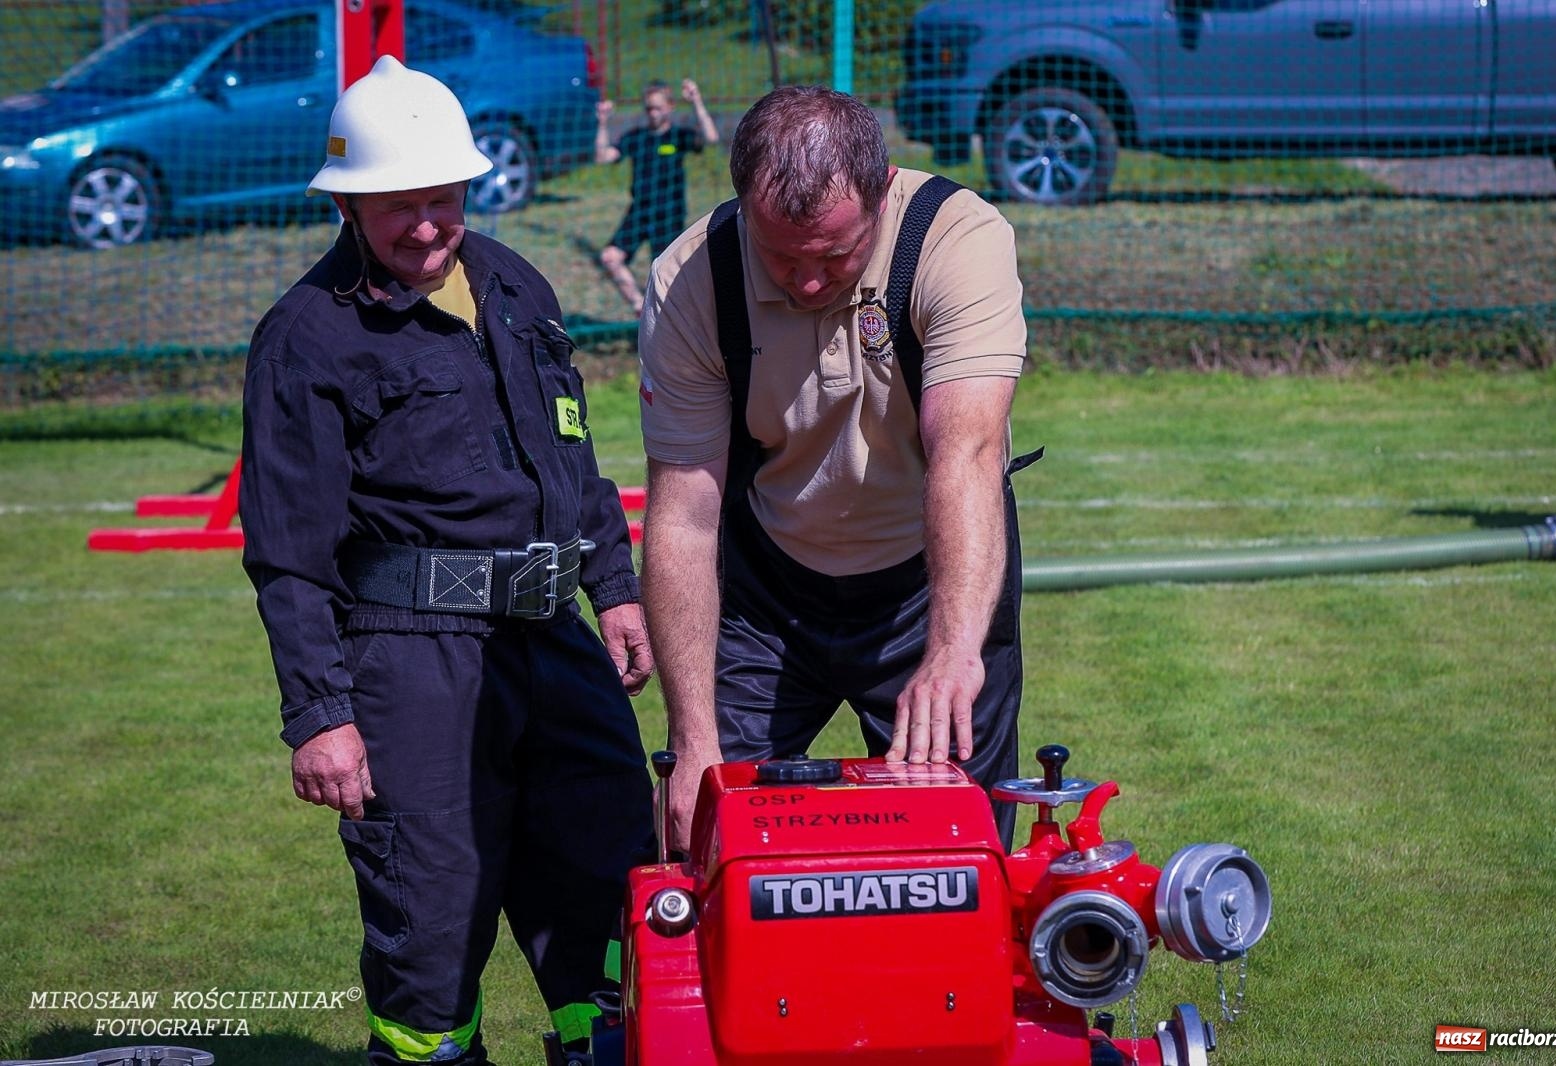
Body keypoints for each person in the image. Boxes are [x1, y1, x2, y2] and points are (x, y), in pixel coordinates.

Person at [239, 56, 653, 1066]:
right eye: (397, 207)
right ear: (348, 202)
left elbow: (573, 458)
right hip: (411, 663)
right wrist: (322, 715)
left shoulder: (515, 282)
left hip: (555, 645)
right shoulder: (306, 337)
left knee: (616, 896)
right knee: (431, 922)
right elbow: (288, 556)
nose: (425, 226)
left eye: (441, 199)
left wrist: (615, 588)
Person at [637, 85, 1035, 849]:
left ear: (884, 193)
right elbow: (684, 515)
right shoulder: (691, 278)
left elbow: (968, 455)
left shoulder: (958, 239)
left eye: (833, 254)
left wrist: (952, 654)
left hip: (929, 585)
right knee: (709, 843)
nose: (809, 281)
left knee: (958, 853)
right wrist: (693, 742)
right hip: (765, 596)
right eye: (780, 256)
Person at [594, 78, 719, 315]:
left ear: (670, 106)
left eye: (658, 108)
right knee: (610, 258)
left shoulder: (677, 136)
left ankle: (673, 324)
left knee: (666, 276)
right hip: (640, 211)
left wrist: (696, 103)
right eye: (649, 108)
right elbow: (603, 156)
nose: (652, 113)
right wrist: (602, 122)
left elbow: (710, 138)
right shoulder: (636, 137)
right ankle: (640, 307)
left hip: (668, 214)